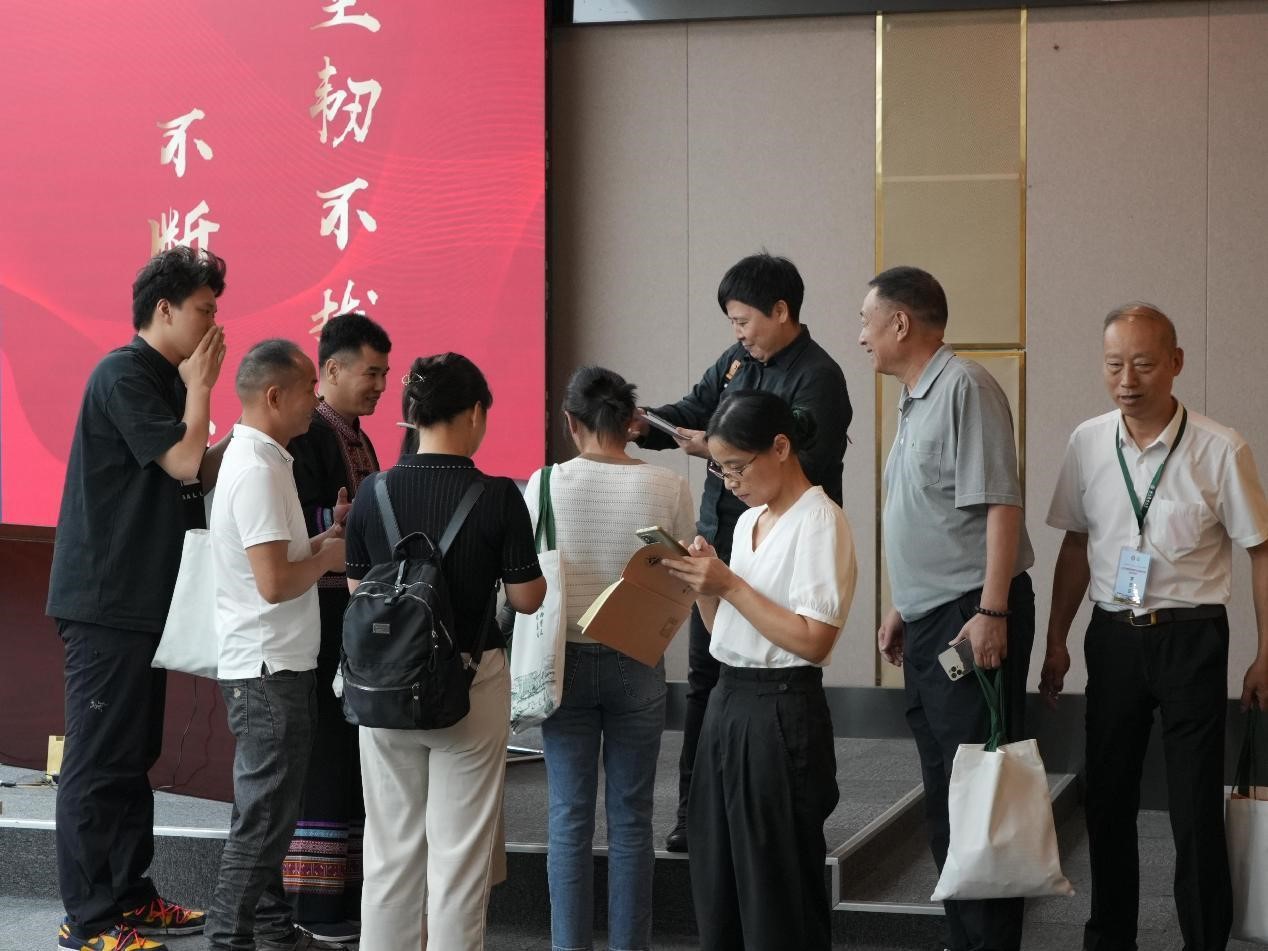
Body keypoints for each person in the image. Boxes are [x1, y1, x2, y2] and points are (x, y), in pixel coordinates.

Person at [1041, 302, 1268, 951]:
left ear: (1175, 363)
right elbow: (1075, 545)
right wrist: (1056, 640)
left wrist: (1266, 654)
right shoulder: (1088, 441)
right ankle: (1110, 937)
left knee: (1194, 805)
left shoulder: (1220, 448)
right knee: (1108, 797)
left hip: (1193, 638)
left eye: (1142, 363)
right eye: (1114, 364)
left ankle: (1204, 939)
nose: (1127, 380)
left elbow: (1261, 550)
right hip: (1113, 636)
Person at [634, 251, 853, 851]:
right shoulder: (736, 362)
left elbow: (807, 460)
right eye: (731, 322)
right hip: (726, 535)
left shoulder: (820, 376)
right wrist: (645, 425)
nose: (738, 334)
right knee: (708, 677)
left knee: (771, 667)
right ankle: (696, 811)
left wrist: (713, 446)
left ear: (780, 311)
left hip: (782, 544)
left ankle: (767, 803)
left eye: (743, 320)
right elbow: (691, 410)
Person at [47, 247, 228, 951]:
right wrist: (203, 389)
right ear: (165, 309)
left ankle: (130, 897)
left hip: (143, 603)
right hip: (106, 601)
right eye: (204, 310)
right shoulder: (123, 373)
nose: (214, 324)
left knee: (131, 754)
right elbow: (183, 460)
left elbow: (194, 469)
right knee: (98, 762)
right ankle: (89, 920)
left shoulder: (162, 379)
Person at [859, 265, 1035, 951]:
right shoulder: (915, 398)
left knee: (980, 793)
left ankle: (989, 942)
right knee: (945, 791)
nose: (861, 334)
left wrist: (992, 612)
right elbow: (930, 514)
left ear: (900, 322)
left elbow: (1001, 505)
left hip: (971, 613)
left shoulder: (965, 386)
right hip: (933, 615)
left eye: (867, 320)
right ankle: (964, 938)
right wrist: (903, 605)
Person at [345, 353, 546, 951]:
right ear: (476, 413)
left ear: (413, 414)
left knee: (389, 852)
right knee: (459, 860)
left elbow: (359, 593)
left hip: (384, 687)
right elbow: (526, 599)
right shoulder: (497, 497)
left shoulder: (373, 492)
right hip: (469, 685)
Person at [663, 389, 857, 951]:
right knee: (719, 874)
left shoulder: (819, 520)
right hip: (728, 700)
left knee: (776, 887)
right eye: (720, 470)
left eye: (737, 467)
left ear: (780, 447)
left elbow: (814, 640)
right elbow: (726, 631)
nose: (731, 482)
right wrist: (705, 586)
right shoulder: (749, 520)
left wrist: (729, 584)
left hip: (782, 706)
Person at [527, 366, 695, 951]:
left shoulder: (544, 484)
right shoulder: (668, 487)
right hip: (637, 657)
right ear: (632, 423)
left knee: (568, 817)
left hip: (563, 661)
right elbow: (684, 577)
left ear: (570, 422)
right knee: (632, 819)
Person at [205, 340, 348, 951]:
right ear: (273, 396)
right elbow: (273, 584)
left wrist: (324, 541)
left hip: (272, 664)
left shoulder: (263, 459)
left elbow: (280, 562)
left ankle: (268, 928)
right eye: (308, 388)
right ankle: (227, 937)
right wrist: (330, 559)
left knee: (268, 813)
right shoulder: (259, 469)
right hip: (268, 669)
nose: (315, 400)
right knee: (264, 819)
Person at [282, 313, 391, 945]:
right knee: (326, 753)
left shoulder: (355, 436)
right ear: (331, 369)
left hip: (349, 614)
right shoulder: (311, 433)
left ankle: (343, 895)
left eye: (384, 374)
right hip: (319, 615)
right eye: (370, 372)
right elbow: (291, 520)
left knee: (347, 754)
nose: (380, 385)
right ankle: (314, 904)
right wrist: (338, 517)